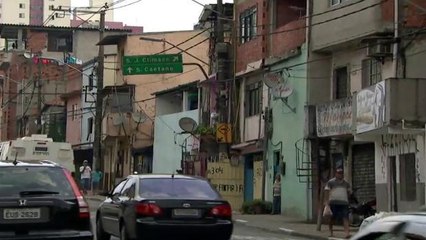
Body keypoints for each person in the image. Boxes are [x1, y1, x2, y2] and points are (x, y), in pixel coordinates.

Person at [324, 168, 351, 239]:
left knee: (345, 217)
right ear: (335, 174)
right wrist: (327, 202)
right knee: (332, 218)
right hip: (333, 203)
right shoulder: (331, 182)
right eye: (338, 173)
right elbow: (326, 192)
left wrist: (347, 199)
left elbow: (349, 192)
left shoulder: (346, 183)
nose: (340, 174)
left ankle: (347, 233)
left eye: (341, 173)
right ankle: (330, 231)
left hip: (344, 203)